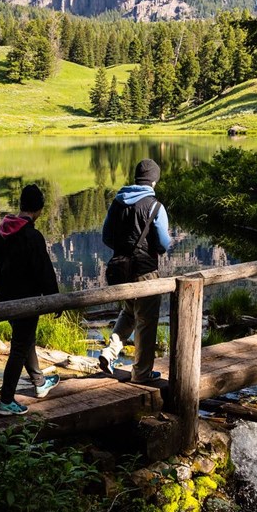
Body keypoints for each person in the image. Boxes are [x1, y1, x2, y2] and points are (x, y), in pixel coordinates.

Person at [0, 184, 62, 416]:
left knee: (25, 339)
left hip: (4, 297)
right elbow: (44, 271)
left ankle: (39, 383)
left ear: (22, 205)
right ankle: (6, 400)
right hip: (26, 301)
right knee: (20, 347)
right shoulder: (32, 236)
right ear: (39, 209)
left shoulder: (0, 230)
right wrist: (54, 299)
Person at [99, 159, 171, 382]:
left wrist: (125, 249)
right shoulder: (155, 206)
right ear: (154, 181)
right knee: (146, 322)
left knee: (129, 312)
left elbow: (106, 237)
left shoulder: (117, 202)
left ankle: (109, 353)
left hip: (121, 270)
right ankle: (141, 373)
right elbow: (163, 244)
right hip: (145, 272)